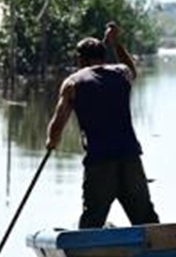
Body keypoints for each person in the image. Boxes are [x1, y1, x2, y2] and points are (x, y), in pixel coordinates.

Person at [46, 22, 160, 229]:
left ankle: (88, 249)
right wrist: (115, 44)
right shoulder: (121, 73)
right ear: (104, 56)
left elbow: (58, 121)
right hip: (129, 157)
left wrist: (51, 141)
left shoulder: (73, 83)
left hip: (100, 162)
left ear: (80, 59)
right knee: (146, 219)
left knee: (92, 221)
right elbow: (132, 69)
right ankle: (161, 246)